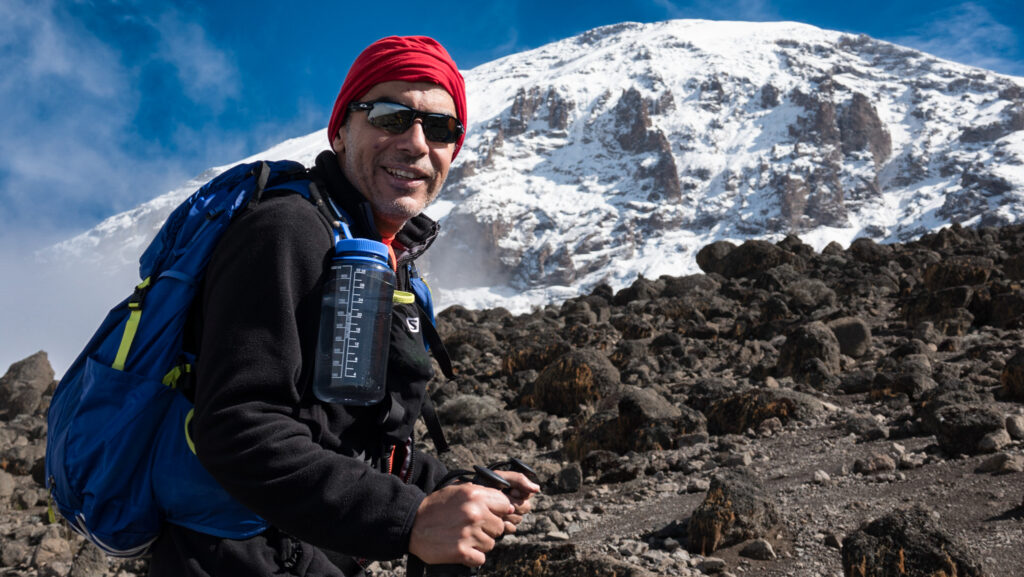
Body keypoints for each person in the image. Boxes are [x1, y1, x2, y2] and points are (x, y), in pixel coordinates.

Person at [149, 36, 539, 577]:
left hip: (304, 548)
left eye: (441, 129)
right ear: (339, 131)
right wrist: (412, 520)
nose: (416, 143)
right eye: (389, 117)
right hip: (241, 555)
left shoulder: (373, 251)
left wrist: (447, 487)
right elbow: (240, 427)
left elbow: (347, 435)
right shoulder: (286, 230)